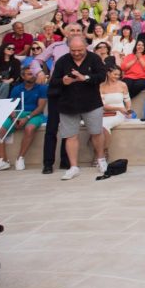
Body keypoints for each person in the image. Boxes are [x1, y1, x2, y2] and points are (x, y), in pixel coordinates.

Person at [50, 35, 108, 180]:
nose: (76, 53)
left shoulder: (94, 58)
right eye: (73, 50)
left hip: (91, 103)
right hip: (68, 104)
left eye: (79, 50)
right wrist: (64, 81)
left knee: (96, 132)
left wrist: (85, 78)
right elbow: (54, 81)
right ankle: (73, 166)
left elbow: (102, 76)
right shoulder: (63, 61)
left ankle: (101, 159)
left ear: (85, 47)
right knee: (70, 136)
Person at [0, 66, 48, 171]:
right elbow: (12, 105)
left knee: (30, 128)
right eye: (29, 74)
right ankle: (3, 160)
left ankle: (20, 158)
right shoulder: (16, 88)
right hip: (17, 114)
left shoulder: (42, 88)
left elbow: (40, 107)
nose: (33, 76)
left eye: (34, 74)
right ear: (22, 76)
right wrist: (14, 117)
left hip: (34, 114)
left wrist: (27, 117)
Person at [100, 65, 132, 161]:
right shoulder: (101, 86)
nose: (117, 76)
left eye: (118, 75)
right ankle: (100, 153)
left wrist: (128, 110)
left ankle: (103, 152)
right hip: (105, 112)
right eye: (115, 74)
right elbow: (103, 106)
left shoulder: (123, 85)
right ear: (108, 74)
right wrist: (118, 108)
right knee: (97, 127)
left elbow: (127, 100)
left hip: (120, 114)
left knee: (104, 125)